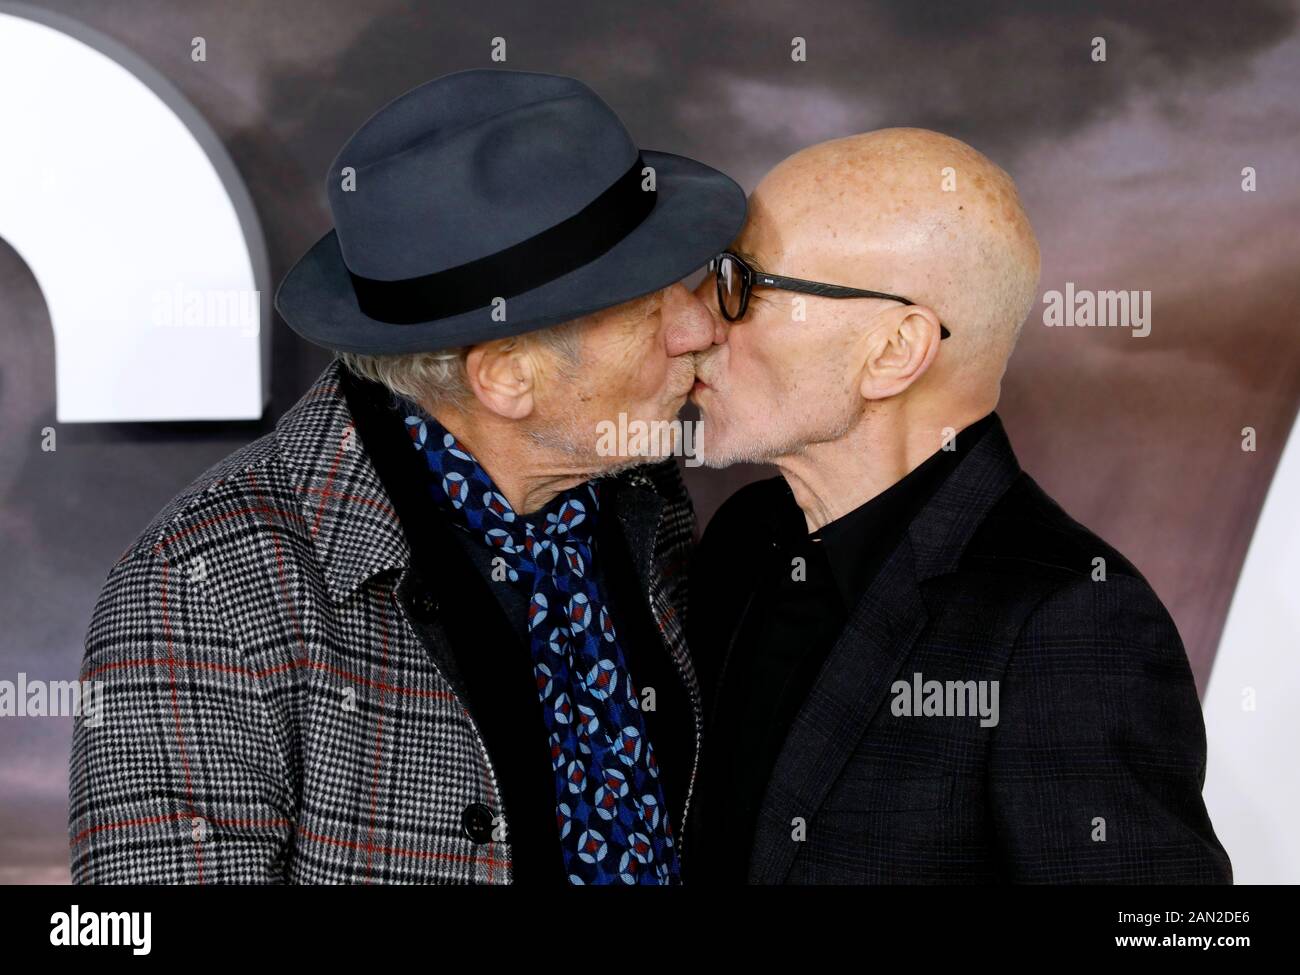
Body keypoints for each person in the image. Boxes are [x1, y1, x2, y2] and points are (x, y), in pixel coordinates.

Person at [69, 68, 743, 884]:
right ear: (506, 377)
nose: (705, 325)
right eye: (650, 306)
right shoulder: (200, 591)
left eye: (690, 281)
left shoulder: (644, 495)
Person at [687, 128, 1231, 884]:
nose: (698, 323)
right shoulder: (746, 536)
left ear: (893, 351)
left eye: (743, 283)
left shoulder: (1065, 622)